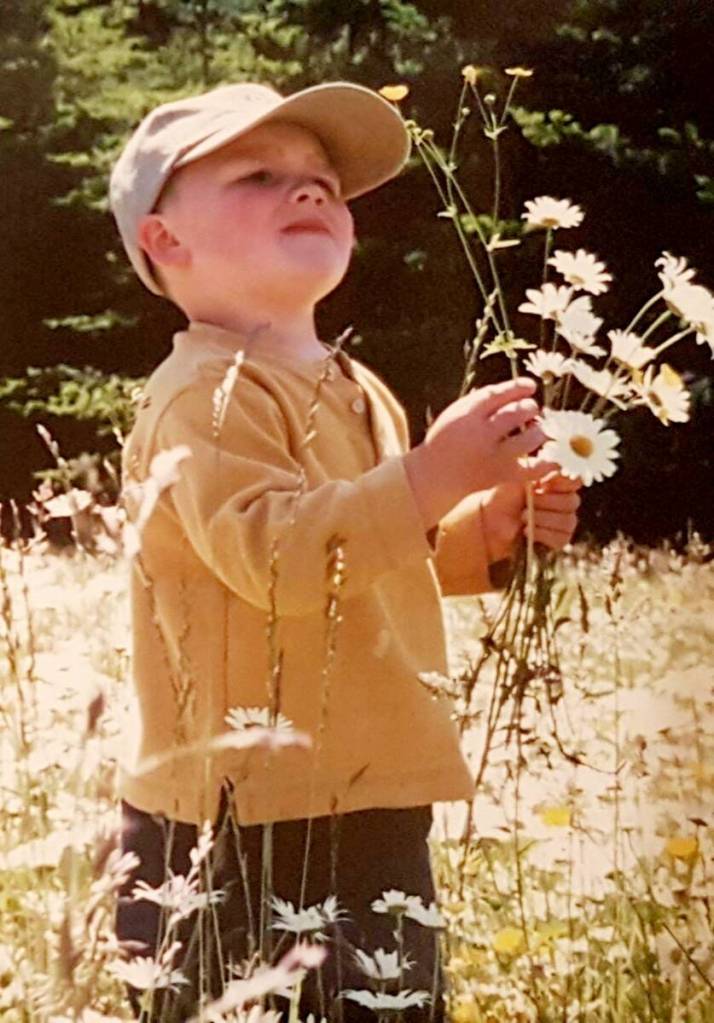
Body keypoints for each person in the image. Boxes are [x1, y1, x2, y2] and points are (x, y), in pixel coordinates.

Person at [108, 80, 581, 1021]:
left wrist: (474, 536)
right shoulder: (203, 392)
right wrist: (435, 475)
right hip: (235, 820)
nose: (311, 190)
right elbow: (278, 558)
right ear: (165, 241)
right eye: (259, 174)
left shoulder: (356, 384)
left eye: (324, 180)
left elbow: (365, 556)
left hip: (367, 790)